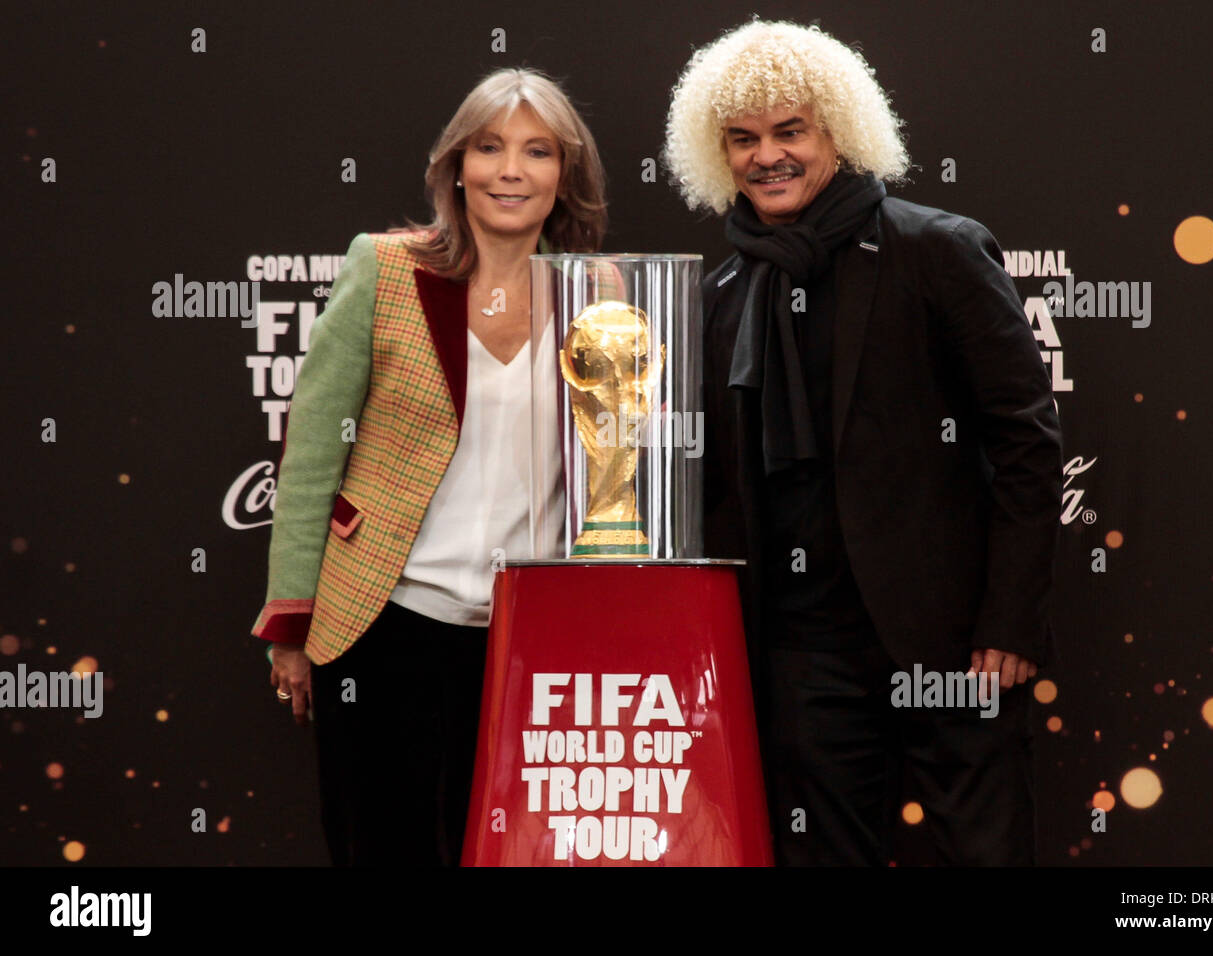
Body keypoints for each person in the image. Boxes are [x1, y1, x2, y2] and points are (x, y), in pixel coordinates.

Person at [663, 20, 1064, 865]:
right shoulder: (726, 289)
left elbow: (1026, 444)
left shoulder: (938, 250)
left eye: (789, 130)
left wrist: (1009, 622)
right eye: (742, 138)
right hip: (804, 660)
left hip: (955, 644)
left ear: (838, 131)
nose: (766, 155)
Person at [250, 67, 607, 866]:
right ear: (457, 165)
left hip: (534, 640)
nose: (510, 170)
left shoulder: (600, 290)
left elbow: (611, 470)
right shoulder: (385, 268)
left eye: (537, 151)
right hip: (386, 623)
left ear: (566, 174)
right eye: (489, 147)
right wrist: (293, 629)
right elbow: (310, 458)